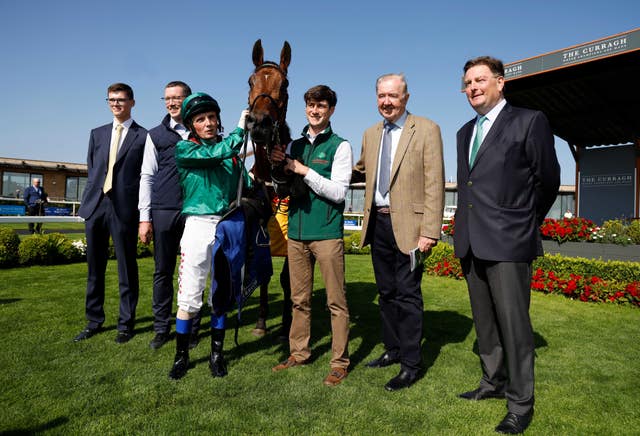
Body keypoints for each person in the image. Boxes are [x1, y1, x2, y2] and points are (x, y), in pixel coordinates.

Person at [454, 56, 560, 434]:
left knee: (515, 326)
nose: (473, 87)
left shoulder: (529, 121)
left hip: (510, 241)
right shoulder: (465, 132)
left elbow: (547, 179)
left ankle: (520, 403)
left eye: (480, 80)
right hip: (471, 241)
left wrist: (523, 220)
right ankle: (492, 382)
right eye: (467, 82)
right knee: (485, 324)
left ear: (500, 83)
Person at [352, 73, 444, 391]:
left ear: (406, 97)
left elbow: (434, 183)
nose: (386, 102)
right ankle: (392, 351)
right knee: (386, 293)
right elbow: (360, 170)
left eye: (393, 95)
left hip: (411, 228)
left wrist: (430, 231)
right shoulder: (370, 133)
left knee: (408, 295)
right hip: (378, 224)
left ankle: (411, 364)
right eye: (381, 96)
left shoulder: (427, 129)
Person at [270, 85, 352, 387]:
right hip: (297, 234)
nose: (315, 111)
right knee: (299, 300)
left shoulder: (340, 146)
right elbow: (281, 186)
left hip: (327, 233)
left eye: (321, 106)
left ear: (330, 110)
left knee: (336, 303)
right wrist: (280, 165)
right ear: (305, 108)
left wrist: (304, 170)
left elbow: (339, 192)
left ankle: (339, 362)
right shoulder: (293, 145)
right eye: (310, 105)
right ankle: (299, 353)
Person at [168, 92, 249, 380]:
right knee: (190, 295)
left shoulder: (232, 156)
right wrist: (240, 129)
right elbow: (217, 153)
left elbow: (247, 185)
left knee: (221, 292)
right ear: (192, 124)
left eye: (212, 117)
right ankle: (181, 356)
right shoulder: (185, 150)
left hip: (227, 226)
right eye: (201, 119)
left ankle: (217, 354)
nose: (209, 123)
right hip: (198, 226)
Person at [74, 83, 147, 344]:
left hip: (124, 209)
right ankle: (94, 320)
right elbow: (94, 170)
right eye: (111, 100)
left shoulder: (143, 136)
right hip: (96, 207)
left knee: (126, 268)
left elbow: (144, 176)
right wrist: (89, 203)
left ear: (132, 102)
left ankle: (126, 324)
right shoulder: (97, 133)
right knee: (95, 268)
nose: (116, 104)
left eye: (121, 99)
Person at [138, 81, 202, 350]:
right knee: (163, 271)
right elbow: (147, 176)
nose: (172, 102)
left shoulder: (202, 130)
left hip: (196, 213)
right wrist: (145, 217)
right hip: (164, 210)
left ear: (188, 100)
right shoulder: (155, 135)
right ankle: (162, 327)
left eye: (177, 98)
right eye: (167, 98)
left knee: (195, 271)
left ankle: (193, 327)